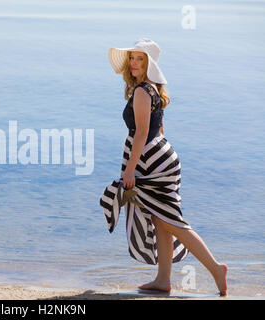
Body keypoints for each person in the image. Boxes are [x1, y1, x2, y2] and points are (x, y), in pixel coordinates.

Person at [106, 38, 228, 296]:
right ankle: (163, 280)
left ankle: (216, 268)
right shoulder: (153, 88)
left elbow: (141, 133)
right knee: (160, 219)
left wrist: (129, 170)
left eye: (140, 59)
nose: (134, 63)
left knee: (170, 220)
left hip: (152, 161)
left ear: (149, 63)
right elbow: (159, 128)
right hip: (161, 156)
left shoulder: (142, 91)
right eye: (132, 58)